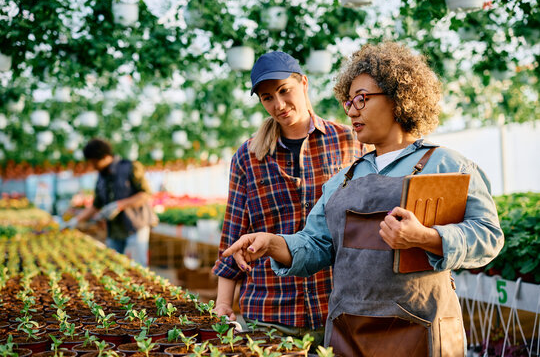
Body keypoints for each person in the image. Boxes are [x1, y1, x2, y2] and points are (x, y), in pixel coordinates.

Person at [222, 42, 504, 356]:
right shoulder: (343, 179)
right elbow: (317, 244)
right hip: (350, 334)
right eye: (349, 101)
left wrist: (427, 238)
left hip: (421, 332)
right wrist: (273, 243)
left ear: (399, 97)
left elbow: (488, 236)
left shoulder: (449, 165)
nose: (352, 110)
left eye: (362, 99)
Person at [212, 51, 362, 346]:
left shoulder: (349, 142)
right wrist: (223, 304)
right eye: (267, 98)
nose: (278, 105)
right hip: (271, 312)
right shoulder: (248, 157)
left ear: (303, 83)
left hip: (338, 309)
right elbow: (233, 234)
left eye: (284, 91)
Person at [65, 138, 156, 267]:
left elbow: (145, 195)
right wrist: (76, 220)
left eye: (93, 162)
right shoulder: (101, 177)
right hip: (114, 230)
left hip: (135, 226)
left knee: (137, 266)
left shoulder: (130, 167)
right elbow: (96, 205)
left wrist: (120, 205)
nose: (92, 166)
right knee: (113, 266)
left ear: (102, 157)